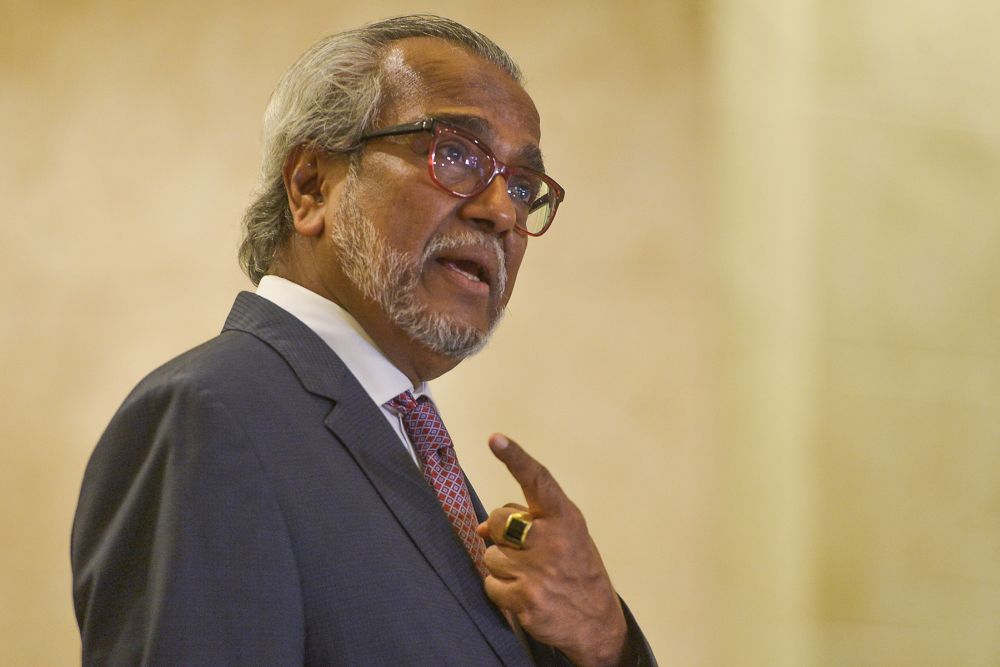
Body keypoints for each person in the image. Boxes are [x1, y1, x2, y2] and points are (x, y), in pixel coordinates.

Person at [71, 14, 656, 666]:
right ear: (311, 186)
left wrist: (605, 641)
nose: (503, 212)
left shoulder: (409, 441)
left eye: (523, 186)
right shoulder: (209, 417)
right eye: (456, 154)